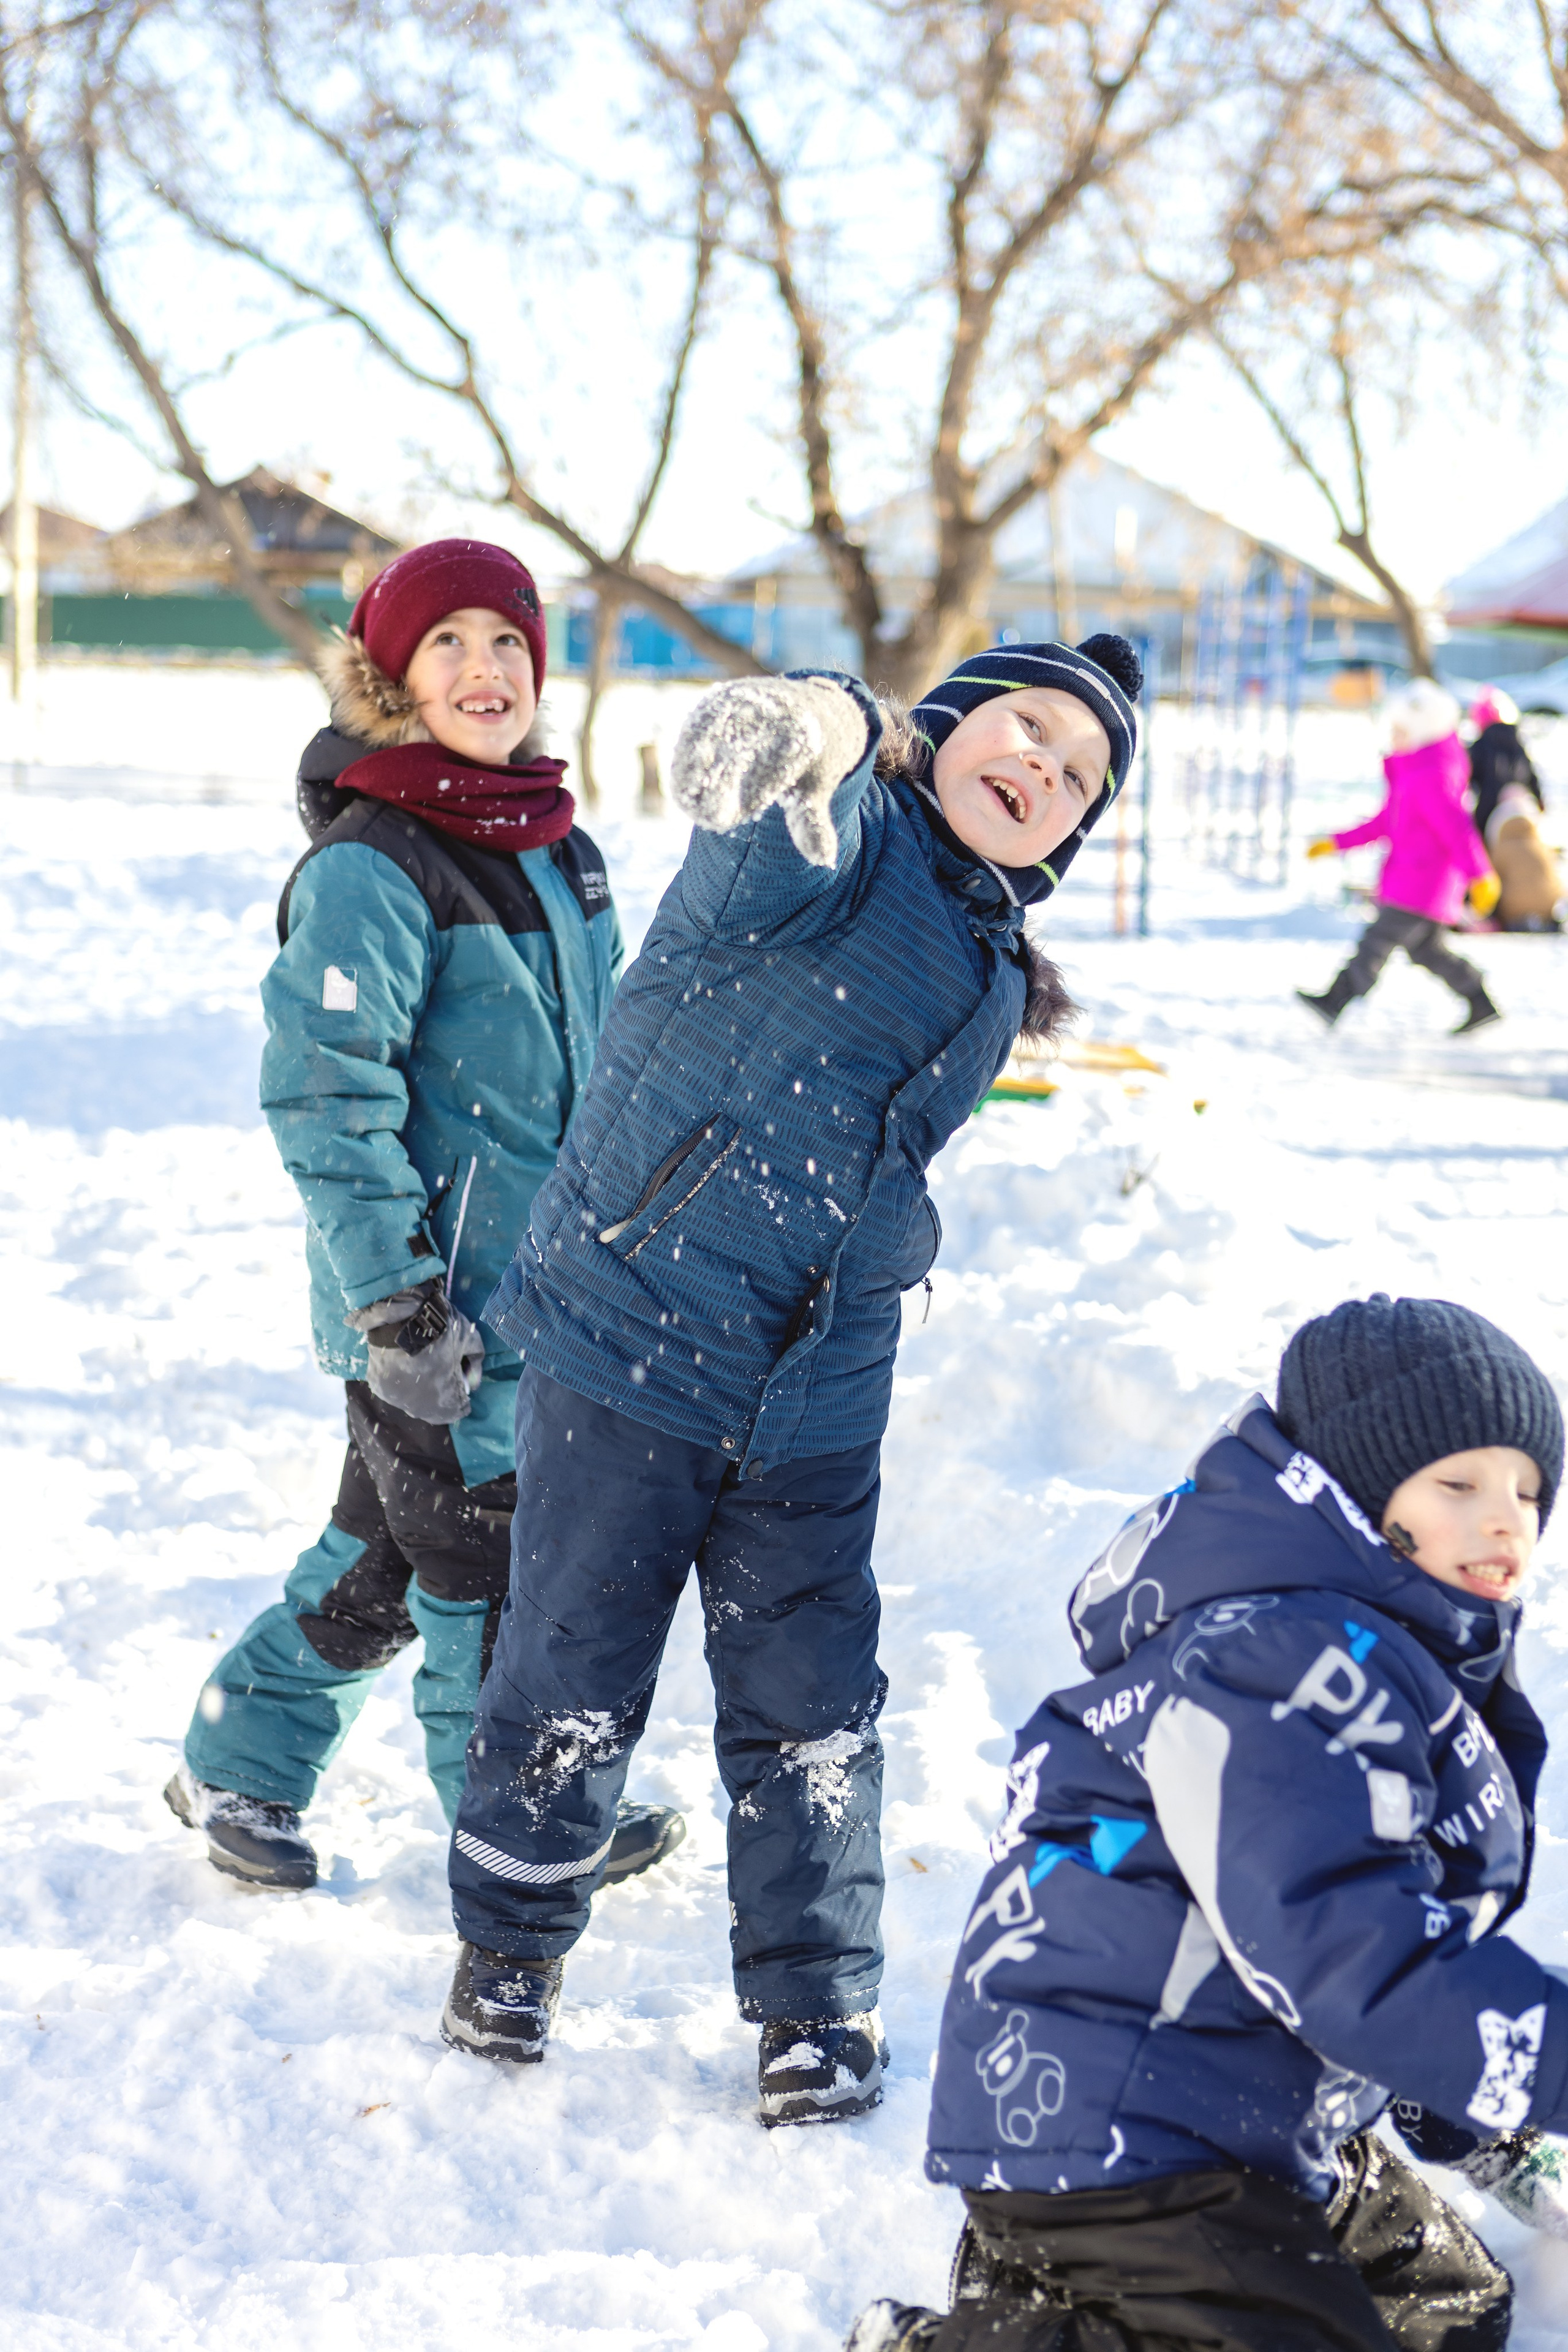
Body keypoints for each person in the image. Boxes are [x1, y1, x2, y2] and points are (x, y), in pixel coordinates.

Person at [439, 636, 1143, 2124]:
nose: (1042, 770)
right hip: (635, 1330)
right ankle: (506, 1948)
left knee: (812, 1699)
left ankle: (815, 2007)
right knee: (572, 1657)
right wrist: (817, 717)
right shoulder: (834, 836)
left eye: (1078, 777)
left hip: (818, 1391)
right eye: (1025, 725)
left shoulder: (995, 961)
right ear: (948, 721)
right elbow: (750, 770)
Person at [850, 1292, 1568, 2352]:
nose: (1505, 1517)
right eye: (1458, 1483)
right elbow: (1348, 1958)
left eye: (1528, 1490)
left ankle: (1056, 2297)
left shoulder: (1394, 1665)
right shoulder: (1278, 1664)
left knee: (1438, 2311)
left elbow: (1399, 1923)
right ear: (1353, 1499)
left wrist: (1474, 2111)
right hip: (1125, 2128)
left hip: (1251, 2113)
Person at [165, 538, 682, 1894]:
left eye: (507, 642)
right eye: (446, 644)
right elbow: (325, 1099)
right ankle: (513, 1817)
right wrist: (395, 1302)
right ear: (390, 676)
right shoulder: (371, 866)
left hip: (551, 1295)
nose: (484, 669)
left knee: (385, 1558)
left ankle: (239, 1759)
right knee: (482, 1563)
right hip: (428, 1305)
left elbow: (617, 1062)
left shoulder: (561, 849)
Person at [1298, 679, 1501, 1035]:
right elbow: (1383, 824)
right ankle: (1480, 1000)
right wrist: (1335, 843)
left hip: (1422, 884)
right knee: (1428, 952)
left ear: (1423, 730)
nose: (1394, 736)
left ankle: (1336, 999)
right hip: (1413, 881)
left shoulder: (1434, 776)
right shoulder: (1414, 773)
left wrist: (1481, 874)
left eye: (1401, 730)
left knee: (1376, 942)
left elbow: (1458, 830)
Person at [1466, 688, 1543, 845]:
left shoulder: (1480, 746)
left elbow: (1467, 776)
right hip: (1523, 805)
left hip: (1491, 807)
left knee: (1479, 841)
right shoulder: (1518, 744)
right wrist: (1540, 802)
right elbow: (1532, 776)